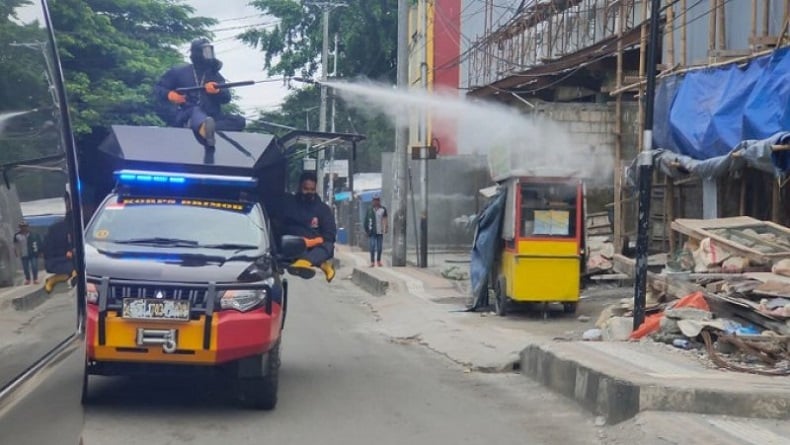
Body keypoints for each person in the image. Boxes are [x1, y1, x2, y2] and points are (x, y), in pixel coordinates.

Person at [154, 38, 246, 148]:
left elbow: (226, 98)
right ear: (197, 52)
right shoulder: (179, 72)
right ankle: (202, 128)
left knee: (239, 121)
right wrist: (170, 95)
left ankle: (206, 129)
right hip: (187, 114)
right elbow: (158, 88)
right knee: (195, 110)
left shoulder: (214, 75)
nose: (208, 54)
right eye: (205, 51)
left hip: (212, 117)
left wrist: (217, 91)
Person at [276, 171, 337, 282]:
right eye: (306, 189)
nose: (309, 192)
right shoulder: (289, 204)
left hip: (315, 246)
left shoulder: (323, 209)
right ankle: (319, 264)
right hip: (293, 244)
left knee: (328, 246)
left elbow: (330, 235)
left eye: (312, 189)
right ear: (299, 187)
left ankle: (305, 262)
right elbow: (279, 226)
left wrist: (310, 242)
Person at [363, 195, 388, 267]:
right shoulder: (370, 209)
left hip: (380, 231)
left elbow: (385, 218)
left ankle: (378, 261)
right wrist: (366, 231)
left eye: (377, 200)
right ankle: (372, 262)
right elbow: (366, 220)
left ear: (379, 201)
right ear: (372, 201)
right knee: (372, 246)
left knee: (379, 247)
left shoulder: (383, 209)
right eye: (374, 200)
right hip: (372, 232)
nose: (375, 201)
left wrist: (386, 227)